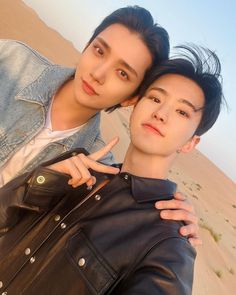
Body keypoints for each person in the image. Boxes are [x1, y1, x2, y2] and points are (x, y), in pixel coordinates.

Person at [0, 45, 224, 294]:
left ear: (191, 143)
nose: (161, 113)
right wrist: (40, 182)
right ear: (135, 106)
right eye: (155, 98)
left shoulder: (169, 246)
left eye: (182, 111)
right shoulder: (80, 168)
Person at [0, 6, 200, 243]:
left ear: (131, 98)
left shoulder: (94, 169)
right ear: (87, 46)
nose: (98, 73)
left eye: (122, 73)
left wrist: (177, 223)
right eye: (99, 50)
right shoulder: (10, 59)